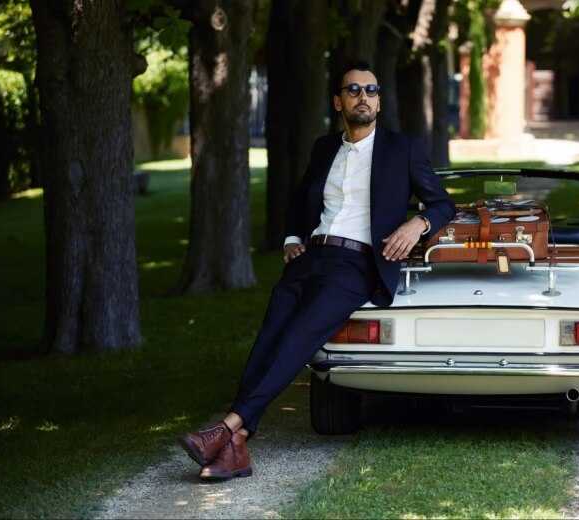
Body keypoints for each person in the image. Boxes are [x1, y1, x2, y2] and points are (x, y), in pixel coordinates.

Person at [178, 61, 456, 480]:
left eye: (371, 90)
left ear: (379, 102)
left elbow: (442, 204)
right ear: (338, 101)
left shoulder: (403, 149)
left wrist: (417, 223)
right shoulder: (324, 148)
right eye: (353, 90)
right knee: (270, 337)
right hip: (311, 259)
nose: (363, 96)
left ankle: (229, 427)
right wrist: (292, 238)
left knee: (298, 337)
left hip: (357, 265)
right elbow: (301, 199)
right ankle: (235, 447)